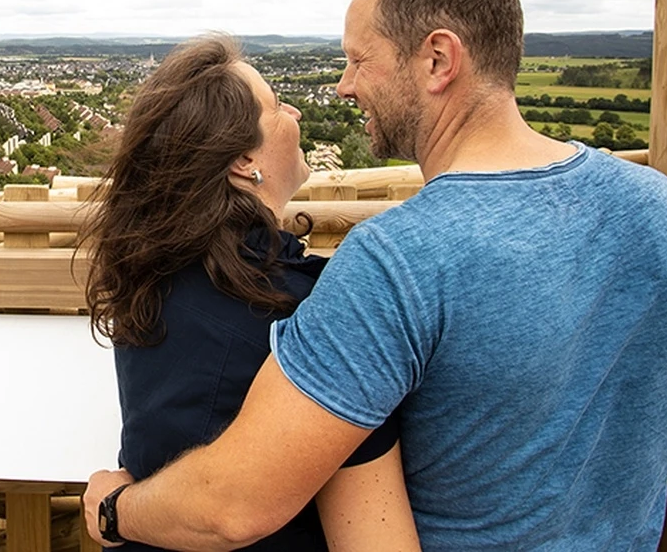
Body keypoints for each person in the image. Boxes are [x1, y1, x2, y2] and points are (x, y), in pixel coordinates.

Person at [83, 0, 667, 551]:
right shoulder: (666, 209)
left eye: (359, 59)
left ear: (437, 60)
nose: (341, 85)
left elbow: (237, 502)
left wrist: (117, 510)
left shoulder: (395, 264)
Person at [81, 35, 419, 551]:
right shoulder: (303, 312)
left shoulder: (147, 279)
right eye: (277, 104)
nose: (297, 111)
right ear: (243, 158)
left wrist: (115, 513)